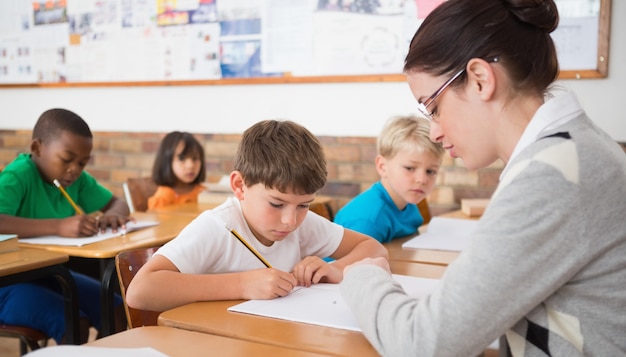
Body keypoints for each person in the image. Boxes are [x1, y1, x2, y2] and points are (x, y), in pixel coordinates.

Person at [339, 0, 626, 356]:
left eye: (433, 107)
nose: (436, 132)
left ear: (480, 80)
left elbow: (422, 344)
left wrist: (363, 276)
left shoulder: (552, 173)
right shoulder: (580, 147)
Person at [126, 119, 388, 312]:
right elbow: (140, 291)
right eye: (276, 204)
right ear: (240, 186)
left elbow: (374, 249)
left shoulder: (301, 224)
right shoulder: (218, 227)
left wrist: (333, 269)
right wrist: (241, 285)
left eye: (304, 205)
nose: (290, 220)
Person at [0, 108, 131, 343]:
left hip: (49, 274)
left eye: (82, 162)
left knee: (117, 309)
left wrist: (112, 215)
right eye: (66, 159)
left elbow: (118, 203)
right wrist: (58, 226)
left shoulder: (76, 180)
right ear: (37, 148)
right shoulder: (18, 176)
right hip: (7, 283)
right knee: (74, 323)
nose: (75, 169)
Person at [334, 115, 443, 243]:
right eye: (410, 168)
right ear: (382, 166)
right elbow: (351, 263)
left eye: (431, 171)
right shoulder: (369, 220)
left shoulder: (408, 202)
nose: (422, 179)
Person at [147, 131, 206, 210]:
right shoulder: (164, 196)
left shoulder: (201, 191)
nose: (191, 165)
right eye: (182, 158)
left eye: (195, 158)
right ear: (166, 161)